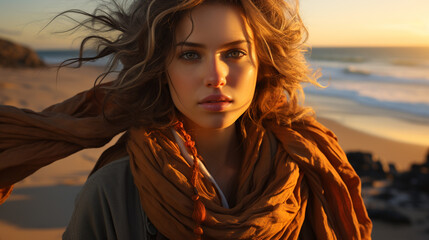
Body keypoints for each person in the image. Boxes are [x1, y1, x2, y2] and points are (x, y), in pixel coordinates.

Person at [0, 0, 372, 239]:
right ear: (162, 68)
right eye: (191, 55)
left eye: (234, 53)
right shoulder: (115, 191)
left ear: (265, 63)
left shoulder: (308, 174)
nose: (216, 75)